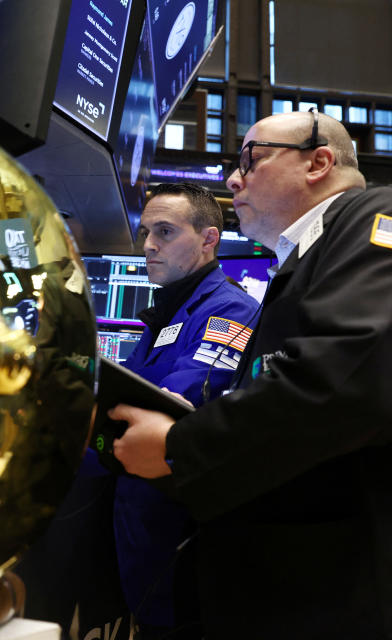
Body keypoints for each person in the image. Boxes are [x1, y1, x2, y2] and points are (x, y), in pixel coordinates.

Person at [110, 110, 392, 638]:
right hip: (317, 588)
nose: (233, 179)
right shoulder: (304, 263)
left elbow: (360, 376)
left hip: (391, 593)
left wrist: (182, 446)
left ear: (319, 162)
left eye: (251, 159)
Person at [114, 183, 259, 639]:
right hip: (140, 525)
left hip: (178, 533)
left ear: (208, 239)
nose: (149, 245)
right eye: (145, 232)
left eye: (165, 231)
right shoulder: (170, 311)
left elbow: (176, 403)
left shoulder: (229, 309)